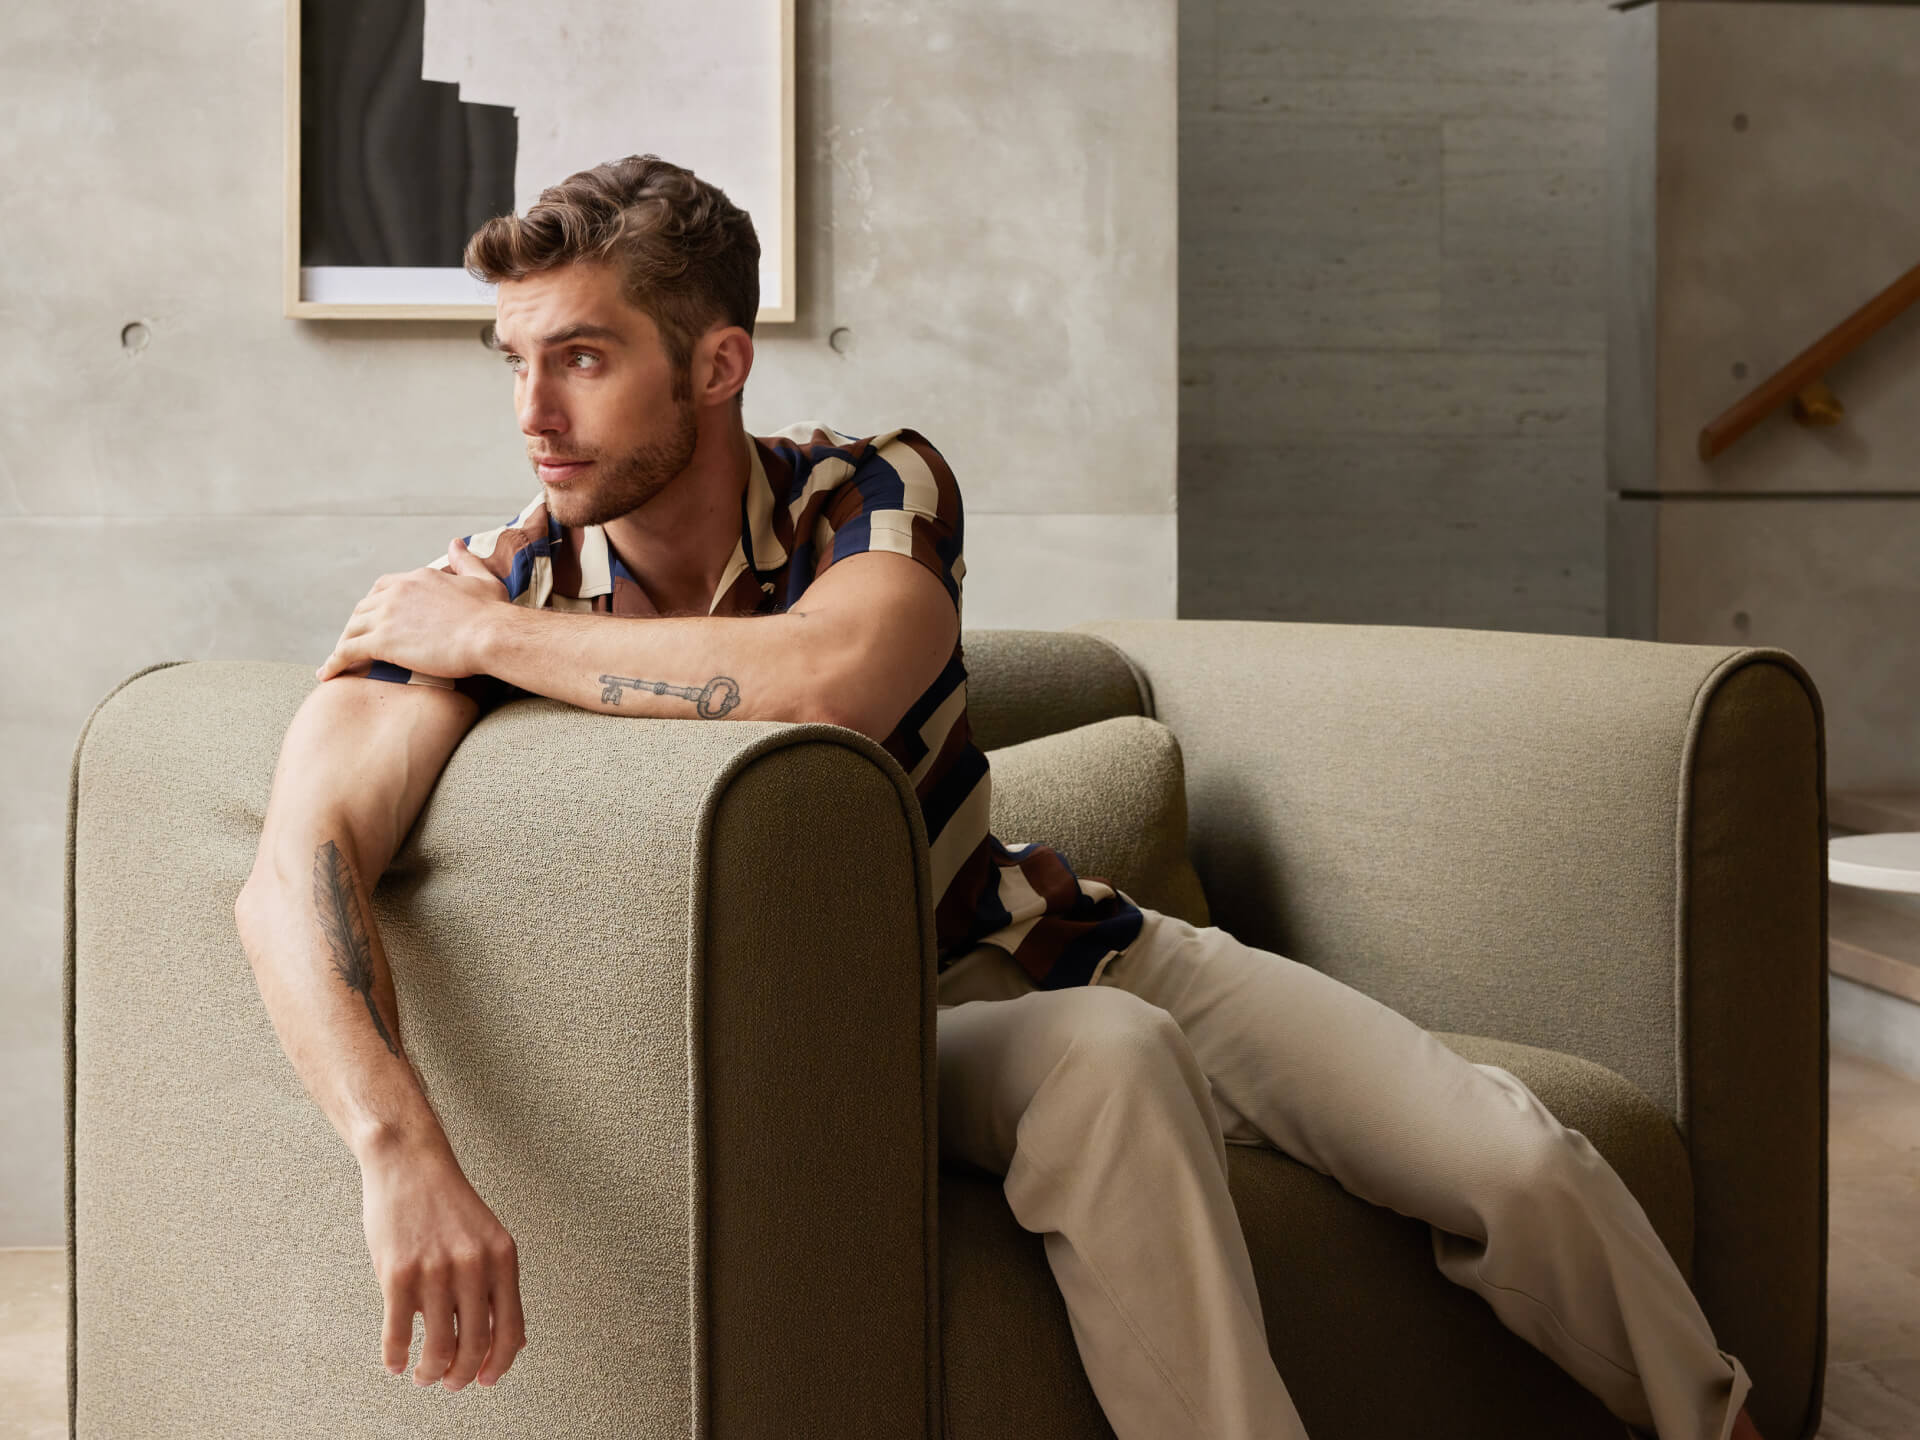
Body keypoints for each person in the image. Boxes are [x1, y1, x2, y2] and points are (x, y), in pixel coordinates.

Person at [233, 154, 1768, 1440]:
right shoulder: (487, 579)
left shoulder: (866, 489)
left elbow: (839, 682)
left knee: (1514, 1152)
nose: (532, 413)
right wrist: (401, 1156)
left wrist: (499, 644)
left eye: (580, 355)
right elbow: (294, 870)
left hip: (1049, 928)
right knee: (1104, 1062)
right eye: (515, 359)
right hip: (859, 1034)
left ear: (716, 363)